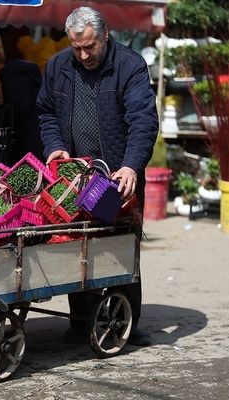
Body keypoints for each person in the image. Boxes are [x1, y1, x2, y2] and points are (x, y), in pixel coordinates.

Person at [37, 6, 158, 346]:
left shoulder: (130, 66)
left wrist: (132, 165)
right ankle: (81, 322)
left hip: (117, 175)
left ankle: (125, 323)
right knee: (76, 242)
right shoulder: (58, 65)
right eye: (77, 48)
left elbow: (143, 121)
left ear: (105, 35)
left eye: (90, 46)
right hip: (75, 173)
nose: (84, 54)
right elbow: (46, 112)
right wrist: (55, 147)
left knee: (118, 245)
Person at [0, 59, 45, 165]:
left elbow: (18, 108)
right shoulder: (43, 104)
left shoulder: (21, 107)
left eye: (0, 83)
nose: (0, 88)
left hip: (31, 167)